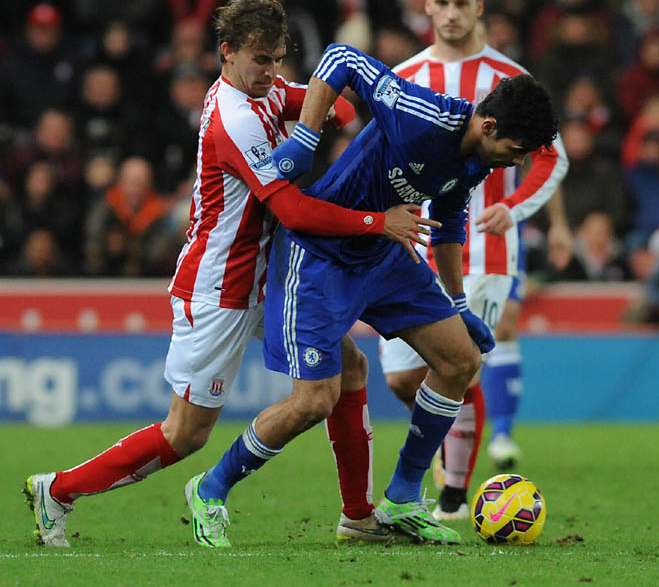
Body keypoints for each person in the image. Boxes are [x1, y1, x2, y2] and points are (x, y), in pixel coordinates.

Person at [23, 0, 433, 548]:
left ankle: (358, 515)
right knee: (185, 434)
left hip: (268, 281)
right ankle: (59, 491)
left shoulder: (263, 91)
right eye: (259, 59)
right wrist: (375, 222)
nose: (270, 71)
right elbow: (290, 208)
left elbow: (334, 103)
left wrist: (314, 117)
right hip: (220, 288)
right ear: (227, 52)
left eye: (277, 59)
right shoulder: (232, 119)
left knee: (350, 370)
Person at [183, 41, 558, 547]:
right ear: (489, 126)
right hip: (320, 255)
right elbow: (340, 58)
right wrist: (308, 137)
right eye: (515, 151)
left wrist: (458, 304)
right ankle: (211, 488)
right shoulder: (421, 115)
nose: (513, 162)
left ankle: (403, 498)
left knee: (460, 359)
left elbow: (447, 227)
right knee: (314, 400)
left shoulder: (478, 160)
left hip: (383, 250)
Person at [378, 0, 570, 520]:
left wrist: (513, 206)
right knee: (401, 379)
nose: (453, 13)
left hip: (483, 248)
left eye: (463, 2)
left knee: (458, 365)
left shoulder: (510, 80)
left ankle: (454, 497)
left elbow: (550, 160)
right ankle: (450, 457)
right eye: (443, 2)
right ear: (428, 5)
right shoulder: (407, 76)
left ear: (479, 7)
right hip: (412, 249)